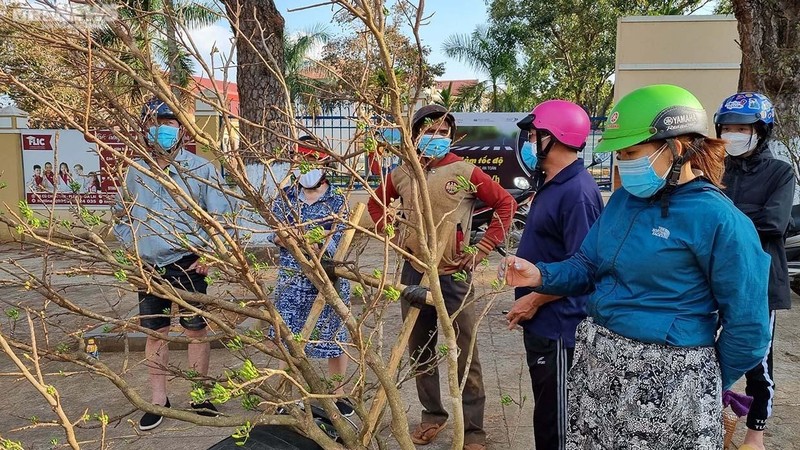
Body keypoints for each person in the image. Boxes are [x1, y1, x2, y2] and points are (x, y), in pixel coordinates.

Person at [499, 84, 772, 449]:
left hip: (672, 380)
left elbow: (749, 327)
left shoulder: (719, 220)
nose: (624, 163)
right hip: (600, 367)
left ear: (677, 146)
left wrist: (700, 377)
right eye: (620, 154)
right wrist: (542, 275)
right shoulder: (625, 200)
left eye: (631, 152)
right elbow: (587, 263)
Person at [367, 105, 516, 450]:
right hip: (413, 274)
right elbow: (377, 203)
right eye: (430, 131)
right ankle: (432, 416)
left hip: (453, 275)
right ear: (415, 134)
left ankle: (474, 431)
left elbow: (505, 204)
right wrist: (390, 233)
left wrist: (481, 250)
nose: (437, 138)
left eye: (443, 132)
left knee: (465, 353)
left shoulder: (465, 171)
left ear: (451, 136)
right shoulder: (402, 173)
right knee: (420, 351)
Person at [113, 98, 230, 431]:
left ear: (180, 129)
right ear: (146, 129)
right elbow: (120, 215)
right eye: (156, 122)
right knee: (156, 333)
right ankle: (159, 400)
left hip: (188, 263)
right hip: (148, 268)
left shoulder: (201, 169)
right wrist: (130, 250)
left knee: (195, 331)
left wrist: (211, 253)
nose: (163, 128)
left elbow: (219, 215)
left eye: (170, 122)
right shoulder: (135, 170)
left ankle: (200, 396)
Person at [507, 100, 603, 450]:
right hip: (542, 324)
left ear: (556, 138)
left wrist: (534, 300)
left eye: (534, 135)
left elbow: (585, 268)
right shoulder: (552, 183)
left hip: (560, 327)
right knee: (546, 416)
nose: (529, 142)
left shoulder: (578, 193)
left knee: (557, 423)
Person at [714, 92, 794, 450]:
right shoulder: (716, 169)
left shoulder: (780, 172)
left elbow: (775, 222)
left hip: (760, 281)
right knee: (705, 347)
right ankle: (712, 418)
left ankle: (755, 435)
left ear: (761, 131)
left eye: (742, 128)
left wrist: (722, 220)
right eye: (727, 127)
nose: (733, 134)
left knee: (757, 360)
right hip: (715, 276)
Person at [269, 137, 353, 416]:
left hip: (328, 281)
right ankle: (287, 393)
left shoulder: (338, 200)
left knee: (334, 338)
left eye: (312, 159)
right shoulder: (286, 197)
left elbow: (338, 241)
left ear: (324, 162)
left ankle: (338, 395)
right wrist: (304, 239)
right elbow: (277, 233)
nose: (306, 166)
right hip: (292, 283)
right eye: (300, 160)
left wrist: (305, 240)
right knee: (288, 338)